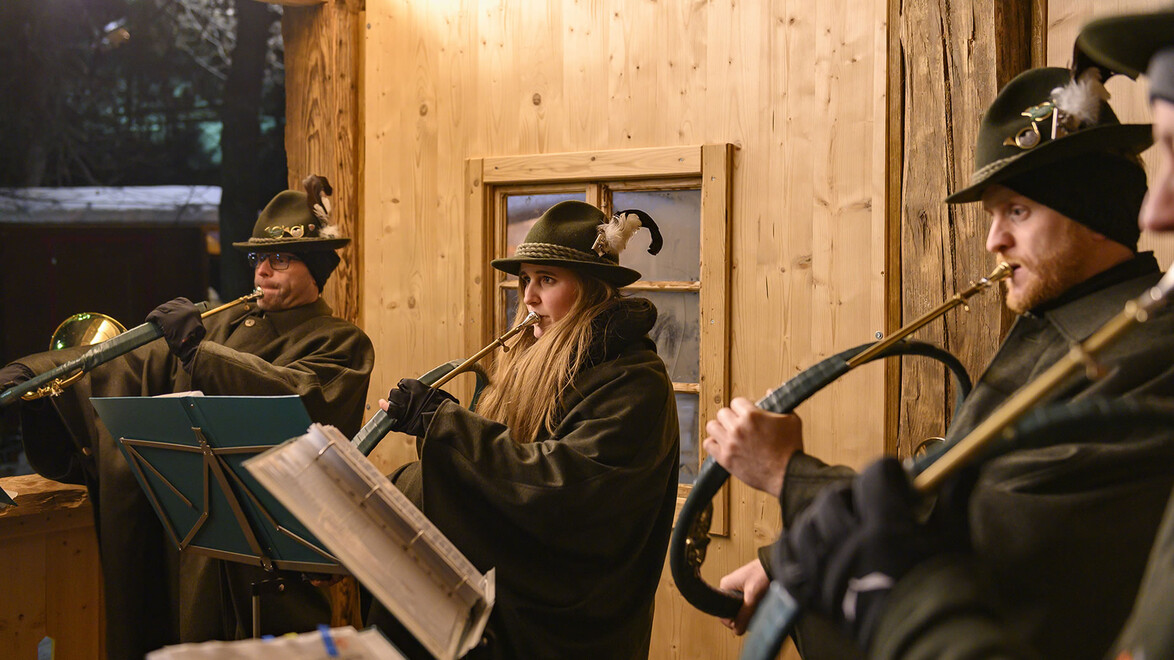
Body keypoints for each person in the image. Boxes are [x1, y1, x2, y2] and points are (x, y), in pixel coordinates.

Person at [704, 67, 1174, 660]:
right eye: (992, 216)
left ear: (1093, 213)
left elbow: (997, 531)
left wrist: (788, 474)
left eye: (1018, 211)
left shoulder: (1149, 349)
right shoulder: (1063, 323)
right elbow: (951, 478)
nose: (993, 241)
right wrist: (790, 558)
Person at [0, 176, 375, 659]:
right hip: (187, 535)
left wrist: (199, 351)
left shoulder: (340, 341)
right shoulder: (224, 322)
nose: (263, 270)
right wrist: (35, 372)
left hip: (267, 557)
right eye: (257, 258)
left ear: (317, 268)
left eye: (280, 258)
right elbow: (131, 364)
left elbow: (299, 397)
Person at [369, 200, 680, 659]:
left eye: (547, 280)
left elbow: (563, 486)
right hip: (503, 605)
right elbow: (506, 463)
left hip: (570, 627)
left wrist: (443, 423)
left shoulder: (634, 380)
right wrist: (450, 426)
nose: (529, 298)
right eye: (526, 280)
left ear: (593, 290)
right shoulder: (532, 363)